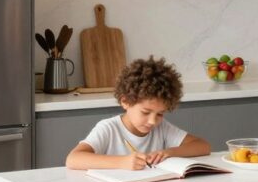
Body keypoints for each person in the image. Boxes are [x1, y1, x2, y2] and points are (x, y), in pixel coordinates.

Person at [66, 57, 210, 170]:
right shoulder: (109, 128)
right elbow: (73, 159)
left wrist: (169, 152)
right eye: (145, 112)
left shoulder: (161, 128)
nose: (153, 121)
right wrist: (122, 162)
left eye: (160, 114)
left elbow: (203, 146)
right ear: (126, 102)